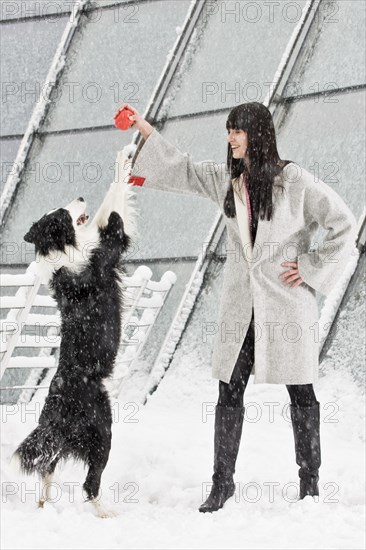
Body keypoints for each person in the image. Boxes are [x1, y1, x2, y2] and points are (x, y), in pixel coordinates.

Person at [116, 101, 358, 513]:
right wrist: (145, 131)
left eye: (238, 131)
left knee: (301, 391)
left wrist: (310, 267)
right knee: (229, 388)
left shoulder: (294, 180)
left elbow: (344, 224)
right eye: (229, 131)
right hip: (241, 305)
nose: (230, 139)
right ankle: (221, 484)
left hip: (285, 303)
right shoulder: (229, 181)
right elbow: (186, 171)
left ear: (257, 134)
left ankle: (310, 484)